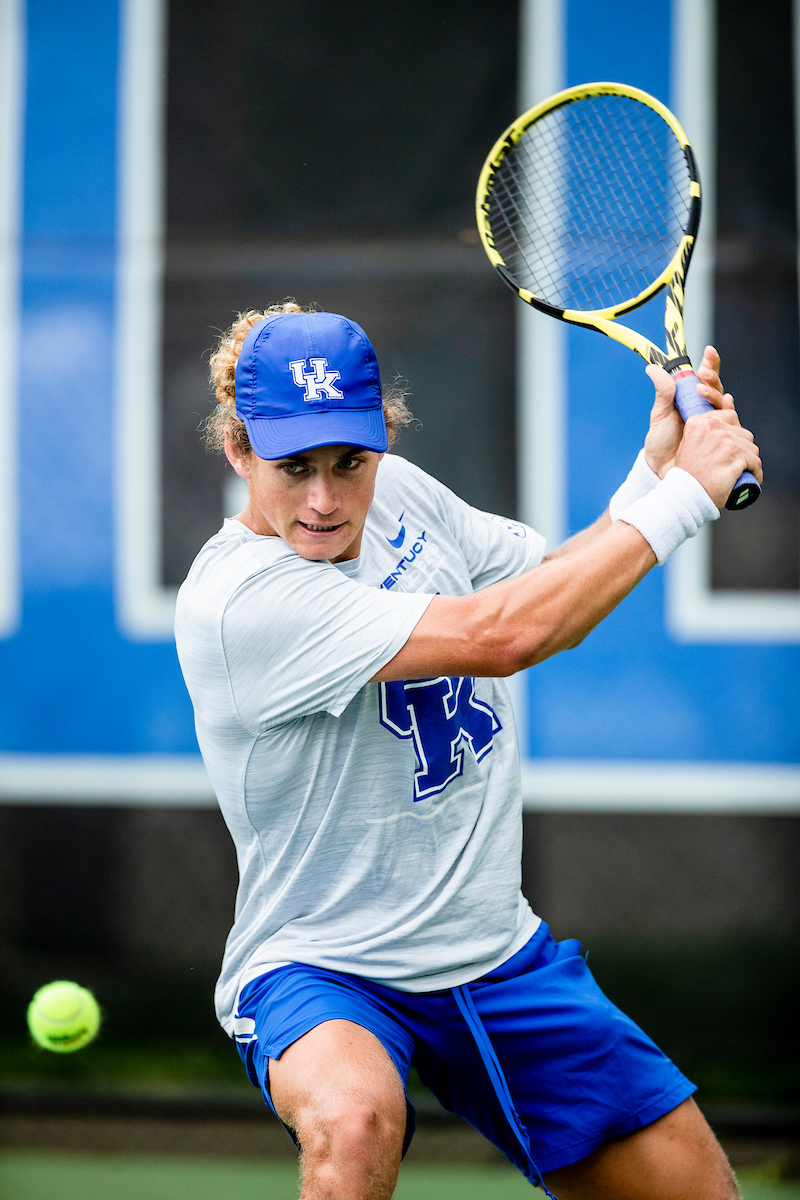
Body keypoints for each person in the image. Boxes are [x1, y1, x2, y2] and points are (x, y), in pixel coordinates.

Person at [175, 301, 761, 1200]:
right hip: (324, 964)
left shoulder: (403, 495)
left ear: (382, 440)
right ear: (239, 450)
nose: (326, 500)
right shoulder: (240, 603)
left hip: (494, 952)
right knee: (352, 1115)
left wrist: (656, 470)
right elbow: (507, 635)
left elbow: (547, 585)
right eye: (293, 469)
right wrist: (688, 494)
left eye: (349, 462)